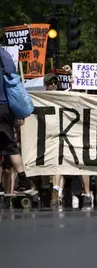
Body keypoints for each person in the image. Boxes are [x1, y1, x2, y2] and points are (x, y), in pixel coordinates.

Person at [0, 46, 36, 196]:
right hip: (4, 107)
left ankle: (23, 182)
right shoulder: (4, 56)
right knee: (10, 146)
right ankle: (24, 181)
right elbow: (10, 70)